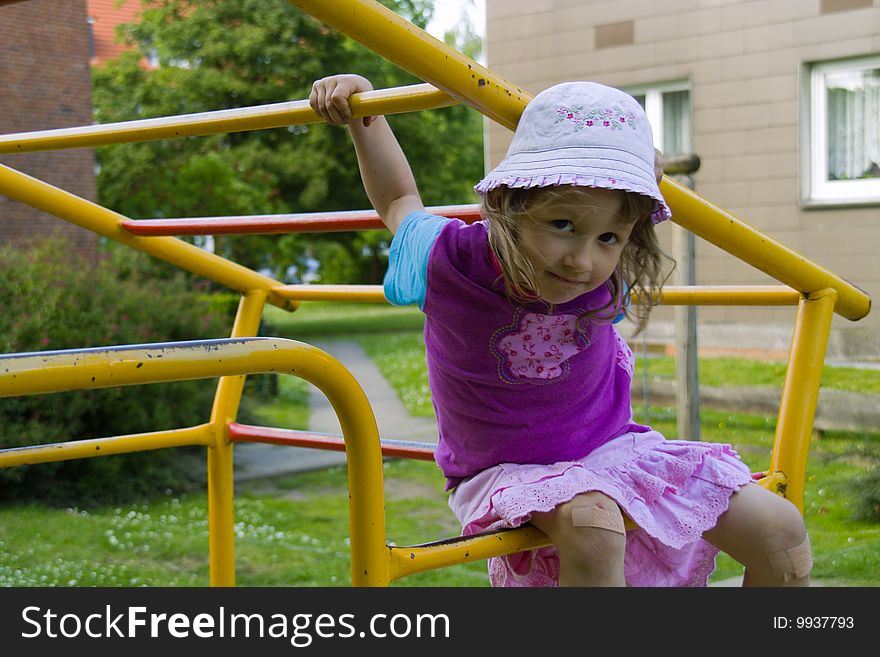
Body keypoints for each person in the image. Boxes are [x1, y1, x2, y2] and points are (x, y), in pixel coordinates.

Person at [309, 74, 812, 587]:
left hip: (611, 451)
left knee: (780, 527)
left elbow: (620, 212)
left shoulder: (604, 268)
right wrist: (362, 111)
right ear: (511, 203)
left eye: (609, 237)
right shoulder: (453, 259)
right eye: (562, 226)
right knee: (593, 524)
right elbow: (398, 200)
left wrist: (638, 161)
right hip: (506, 469)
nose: (581, 259)